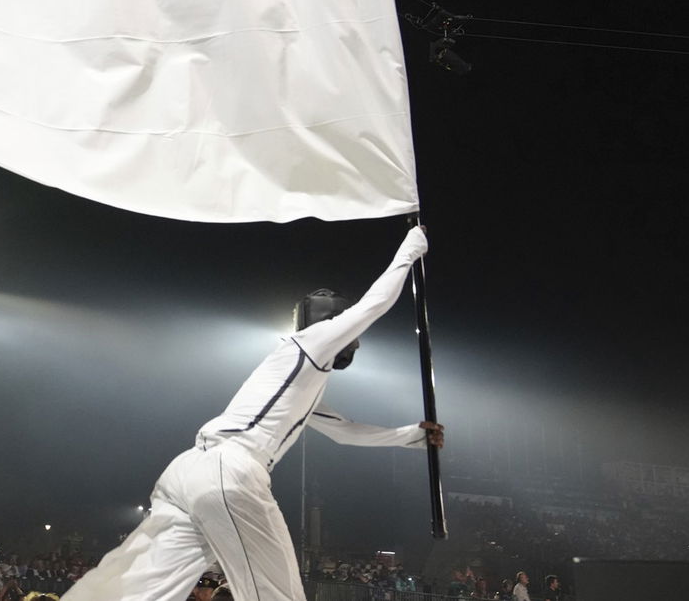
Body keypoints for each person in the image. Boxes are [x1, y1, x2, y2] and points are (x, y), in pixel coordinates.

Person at [60, 226, 441, 601]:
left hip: (188, 472)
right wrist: (408, 252)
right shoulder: (311, 343)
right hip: (230, 471)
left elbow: (345, 431)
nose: (355, 340)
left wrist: (412, 436)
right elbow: (373, 306)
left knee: (134, 588)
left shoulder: (301, 379)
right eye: (350, 332)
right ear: (330, 322)